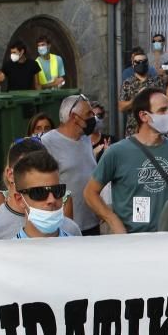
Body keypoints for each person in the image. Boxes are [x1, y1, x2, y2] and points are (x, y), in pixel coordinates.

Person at [84, 88, 168, 234]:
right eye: (162, 110)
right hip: (133, 240)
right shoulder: (117, 152)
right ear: (143, 116)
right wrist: (113, 221)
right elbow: (90, 192)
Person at [40, 95, 100, 235]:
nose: (93, 117)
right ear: (74, 117)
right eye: (89, 114)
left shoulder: (86, 140)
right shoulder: (48, 142)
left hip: (91, 223)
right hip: (65, 226)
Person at [119, 48, 165, 136]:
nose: (141, 64)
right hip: (133, 129)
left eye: (144, 62)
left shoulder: (157, 81)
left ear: (147, 63)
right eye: (138, 62)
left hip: (154, 127)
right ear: (133, 64)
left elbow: (164, 102)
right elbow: (121, 107)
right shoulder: (128, 83)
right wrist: (136, 99)